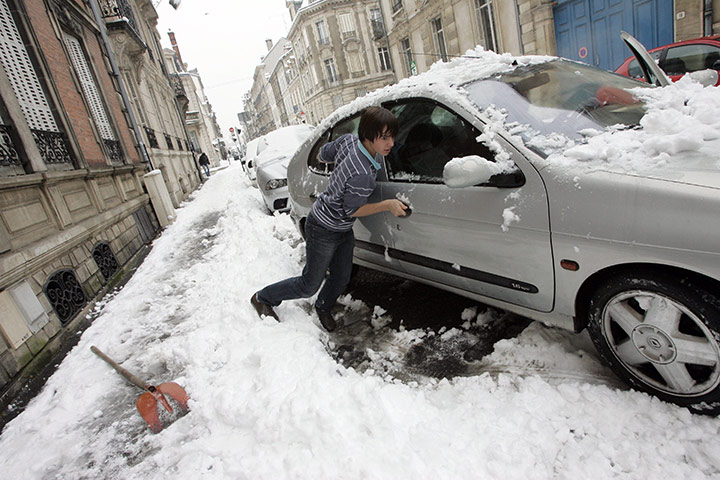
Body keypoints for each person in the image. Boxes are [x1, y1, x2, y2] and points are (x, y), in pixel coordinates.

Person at [251, 106, 407, 331]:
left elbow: (324, 153)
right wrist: (387, 205)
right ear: (368, 136)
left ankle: (323, 306)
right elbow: (351, 210)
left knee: (341, 277)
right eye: (384, 138)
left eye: (392, 136)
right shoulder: (361, 173)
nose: (390, 143)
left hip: (340, 228)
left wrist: (341, 171)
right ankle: (263, 297)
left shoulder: (349, 141)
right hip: (323, 228)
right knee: (308, 285)